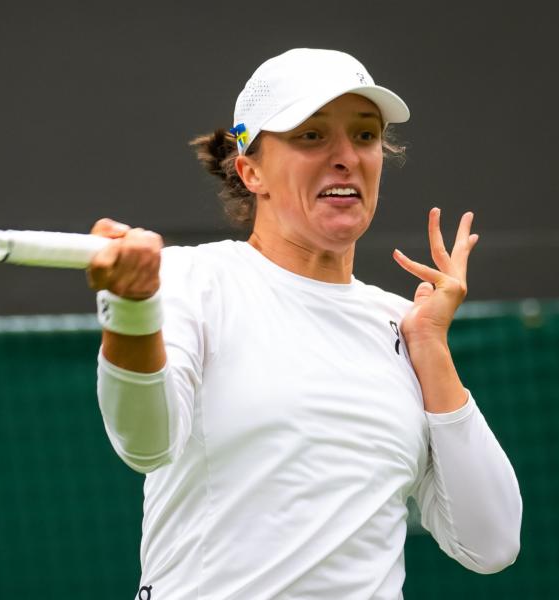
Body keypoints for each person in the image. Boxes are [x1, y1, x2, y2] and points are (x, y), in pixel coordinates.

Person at [86, 48, 522, 599]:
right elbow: (146, 444)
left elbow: (492, 542)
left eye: (364, 136)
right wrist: (129, 311)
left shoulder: (403, 325)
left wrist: (430, 347)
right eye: (311, 136)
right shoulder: (190, 280)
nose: (346, 157)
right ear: (251, 170)